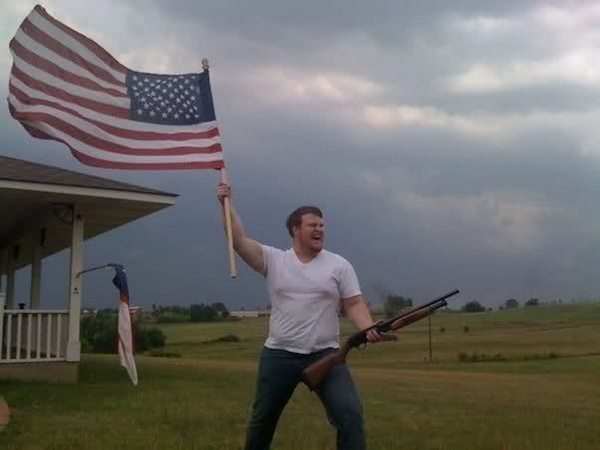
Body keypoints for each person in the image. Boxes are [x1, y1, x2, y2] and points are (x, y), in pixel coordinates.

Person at [216, 182, 383, 450]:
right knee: (262, 421)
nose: (320, 229)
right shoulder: (274, 260)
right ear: (295, 229)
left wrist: (368, 327)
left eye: (322, 225)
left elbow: (354, 303)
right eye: (312, 225)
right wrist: (226, 204)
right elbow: (238, 241)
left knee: (350, 415)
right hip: (279, 355)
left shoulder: (339, 265)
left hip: (326, 355)